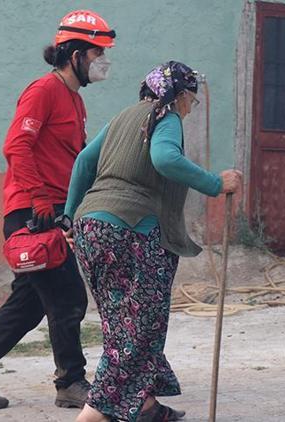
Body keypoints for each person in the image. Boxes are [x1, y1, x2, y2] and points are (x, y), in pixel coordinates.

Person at [0, 10, 116, 411]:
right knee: (68, 298)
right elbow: (16, 146)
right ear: (74, 53)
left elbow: (72, 160)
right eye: (97, 53)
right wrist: (41, 199)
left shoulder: (74, 101)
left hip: (54, 211)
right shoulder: (43, 90)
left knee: (27, 306)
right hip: (31, 213)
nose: (102, 62)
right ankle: (71, 382)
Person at [64, 61, 243, 422]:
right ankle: (93, 415)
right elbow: (165, 158)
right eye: (192, 100)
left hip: (92, 229)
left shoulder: (124, 116)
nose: (192, 108)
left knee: (122, 324)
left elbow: (84, 161)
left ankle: (144, 405)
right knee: (140, 328)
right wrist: (214, 183)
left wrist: (69, 219)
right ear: (180, 95)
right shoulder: (167, 115)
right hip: (131, 232)